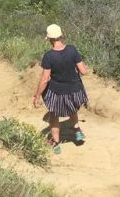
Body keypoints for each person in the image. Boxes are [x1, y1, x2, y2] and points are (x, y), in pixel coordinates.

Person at [33, 24, 88, 154]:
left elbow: (45, 79)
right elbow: (83, 71)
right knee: (72, 108)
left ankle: (56, 143)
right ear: (61, 36)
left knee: (54, 115)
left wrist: (37, 96)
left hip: (58, 92)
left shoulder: (49, 56)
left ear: (50, 39)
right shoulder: (72, 50)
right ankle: (77, 131)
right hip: (75, 91)